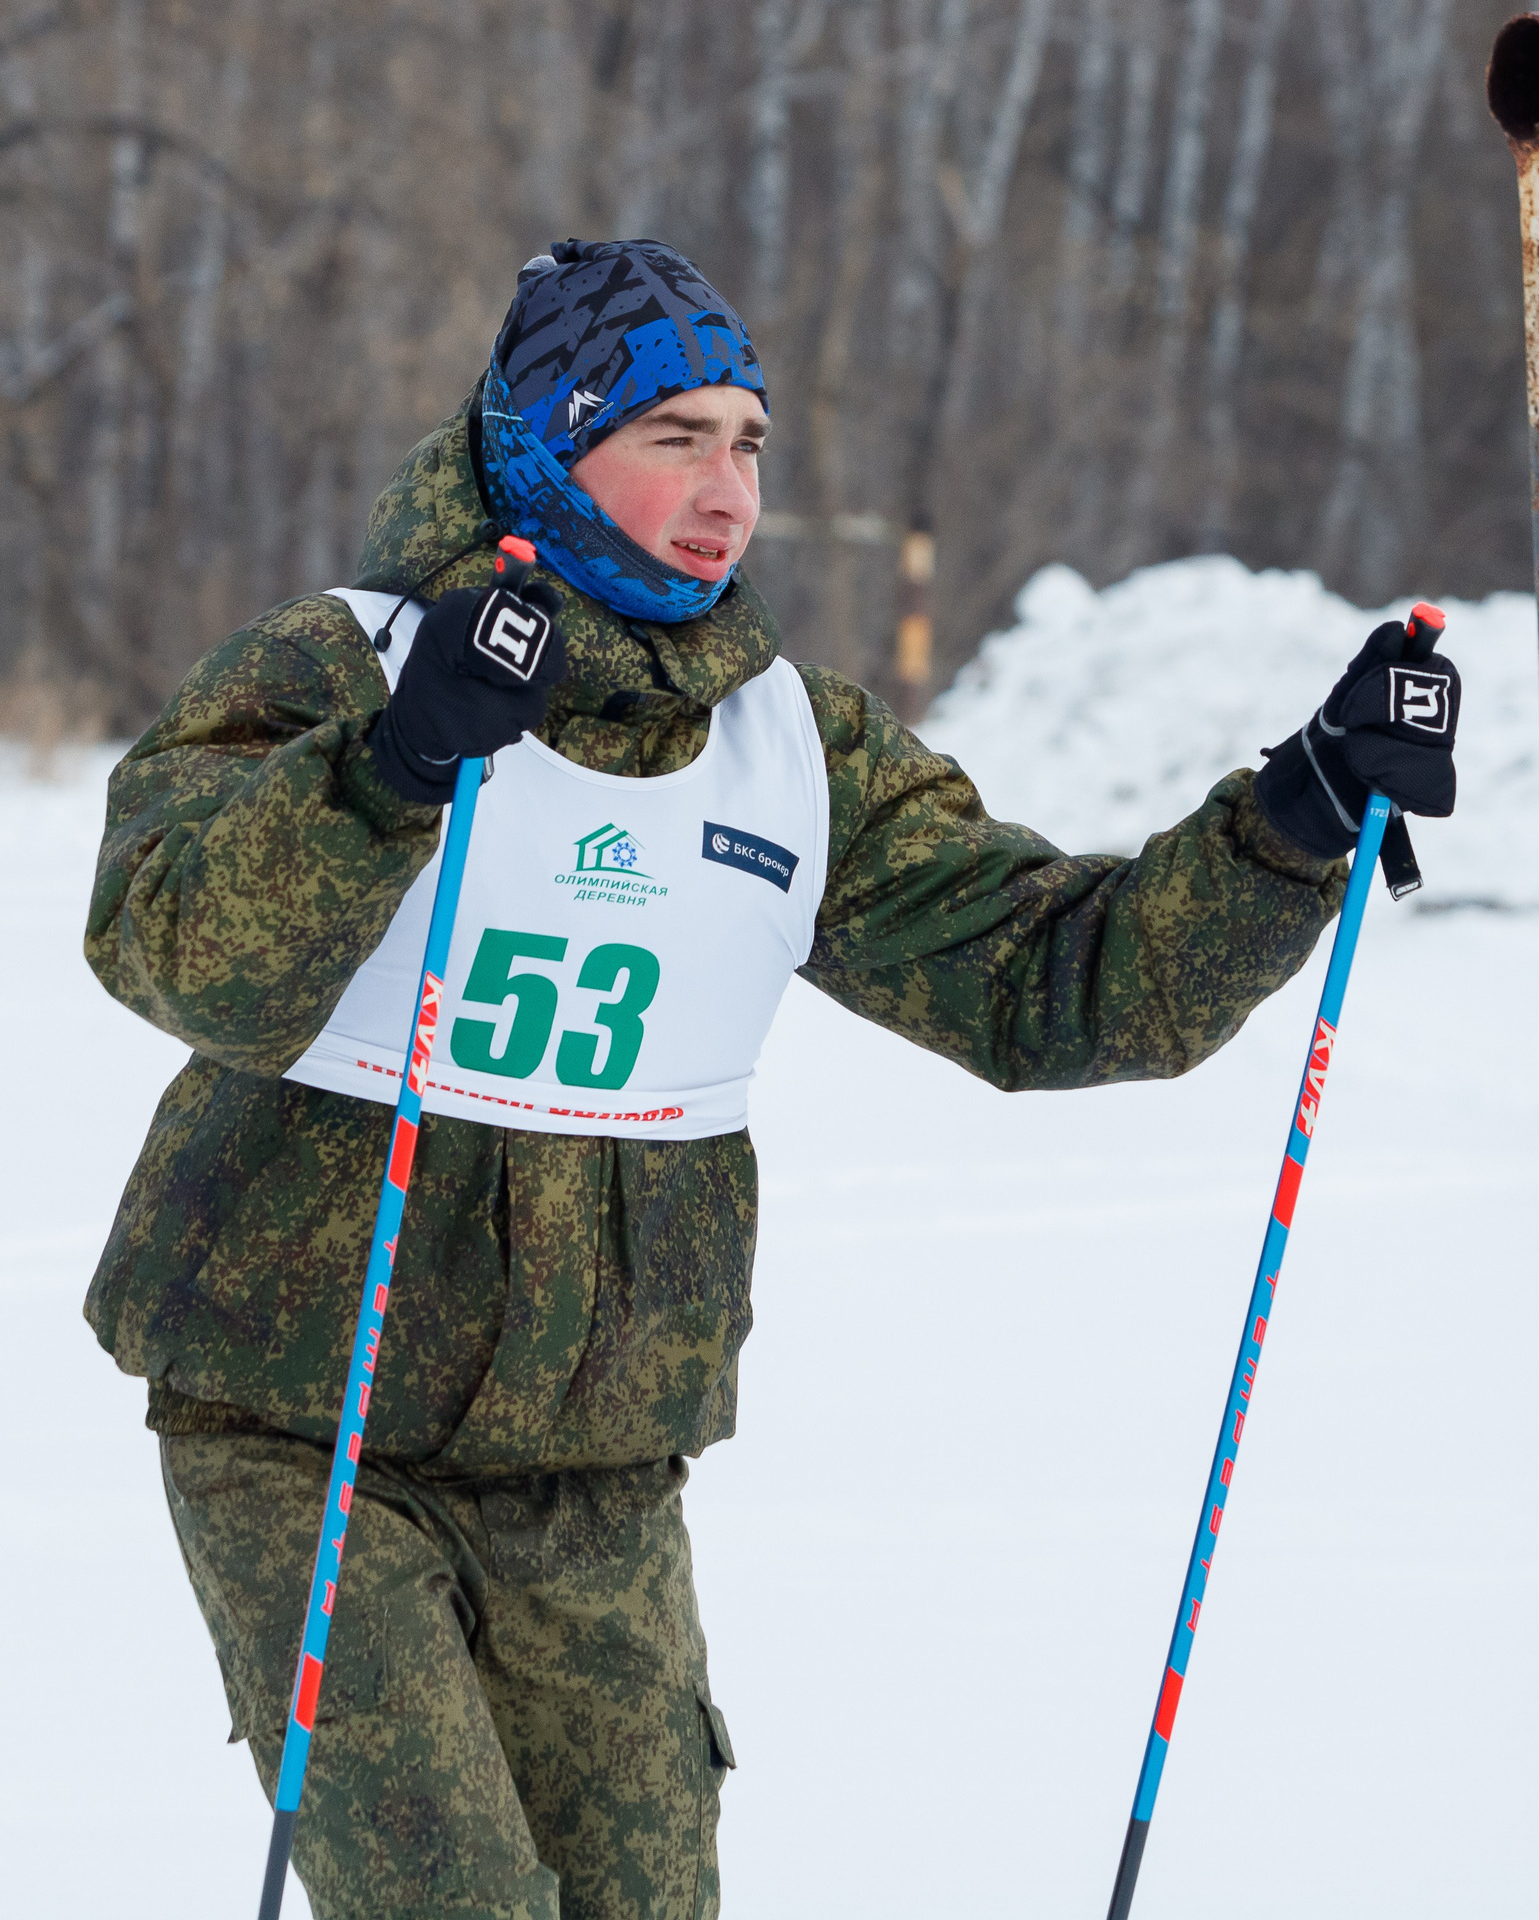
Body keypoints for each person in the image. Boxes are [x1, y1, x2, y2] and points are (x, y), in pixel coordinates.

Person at [82, 238, 1460, 1920]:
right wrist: (395, 764)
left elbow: (1057, 986)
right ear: (546, 445)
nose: (726, 489)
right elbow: (172, 947)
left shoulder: (793, 746)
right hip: (306, 1434)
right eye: (674, 438)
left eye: (748, 443)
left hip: (595, 1470)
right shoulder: (345, 667)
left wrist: (1299, 810)